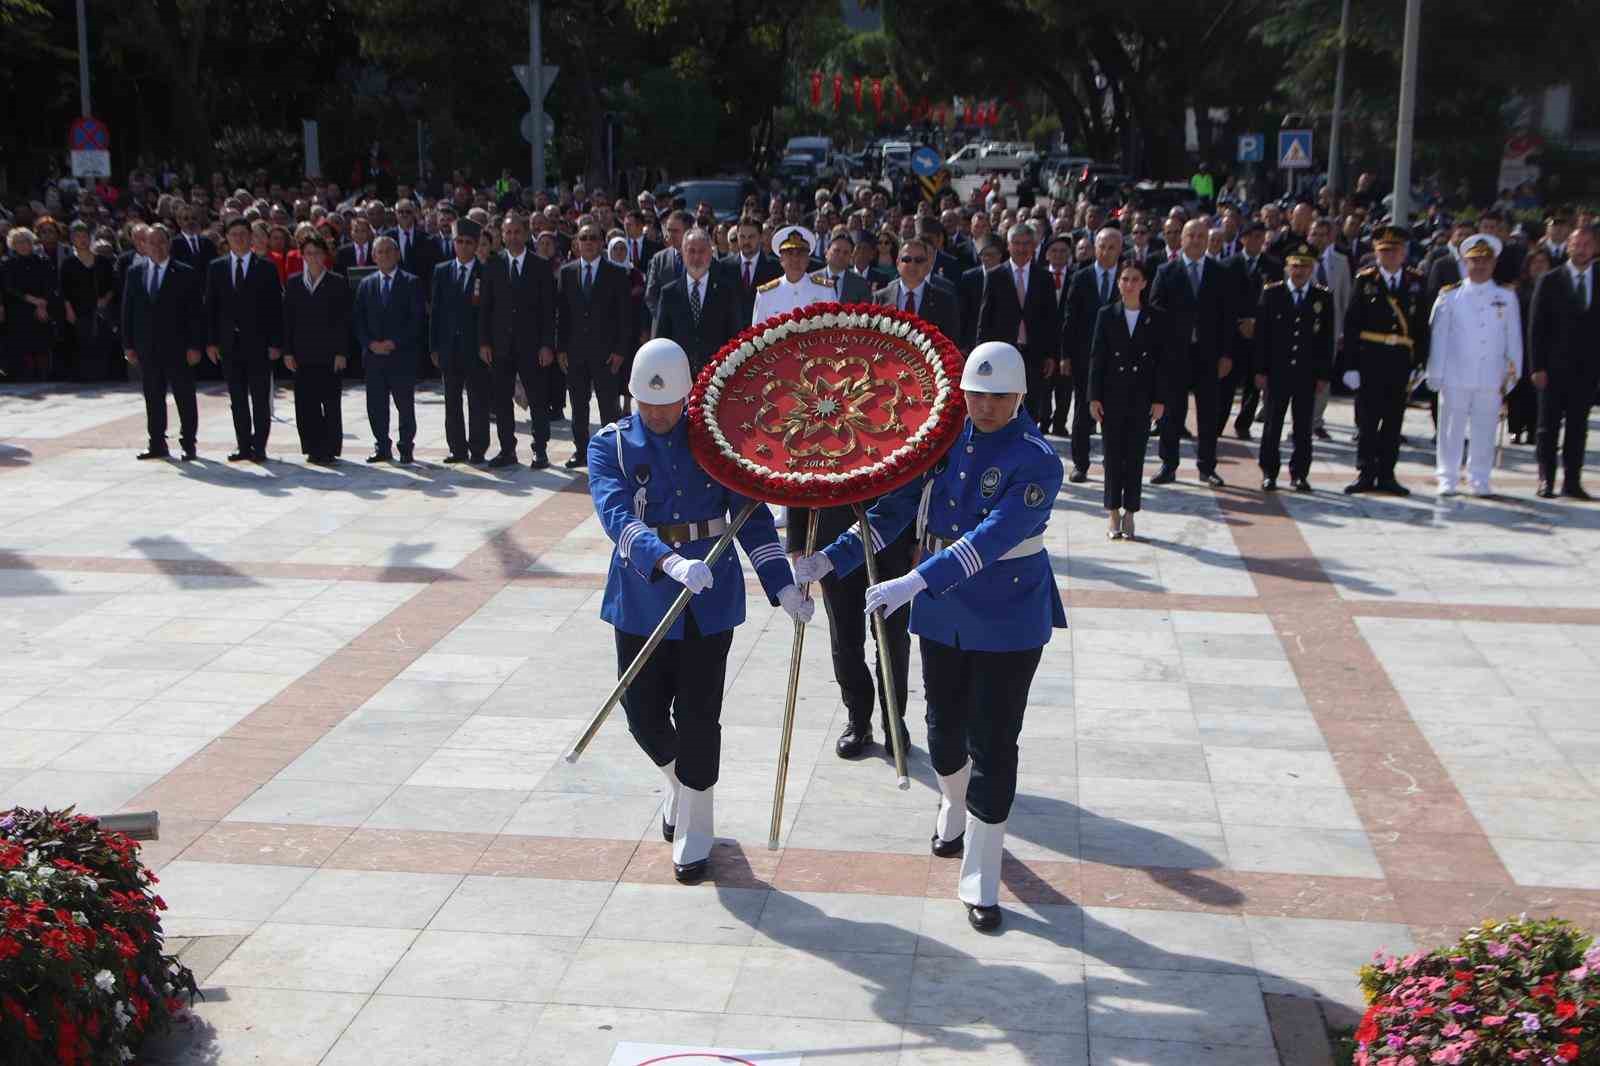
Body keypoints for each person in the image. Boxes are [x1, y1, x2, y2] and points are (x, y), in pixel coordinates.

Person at [794, 341, 1066, 931]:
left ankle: (982, 874)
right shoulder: (943, 443)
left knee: (994, 740)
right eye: (975, 394)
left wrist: (915, 580)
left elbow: (992, 538)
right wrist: (831, 560)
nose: (984, 406)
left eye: (997, 396)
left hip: (1009, 612)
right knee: (943, 732)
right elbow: (892, 512)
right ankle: (952, 800)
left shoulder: (1037, 459)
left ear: (1020, 396)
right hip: (945, 611)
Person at [588, 338, 812, 884]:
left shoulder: (716, 442)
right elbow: (616, 516)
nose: (658, 414)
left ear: (687, 396)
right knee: (642, 713)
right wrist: (666, 561)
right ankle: (680, 783)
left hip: (710, 598)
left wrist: (782, 586)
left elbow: (751, 519)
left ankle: (695, 823)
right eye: (647, 403)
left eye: (668, 403)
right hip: (643, 595)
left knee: (699, 715)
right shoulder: (611, 445)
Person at [1425, 233, 1522, 497]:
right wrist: (1435, 373)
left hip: (1491, 375)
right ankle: (1448, 477)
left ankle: (1480, 478)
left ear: (1494, 263)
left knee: (1485, 428)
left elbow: (1513, 338)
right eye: (1475, 261)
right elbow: (1439, 337)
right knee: (1450, 429)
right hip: (1455, 374)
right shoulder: (1450, 295)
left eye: (1486, 261)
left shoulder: (1506, 296)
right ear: (1465, 262)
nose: (1480, 266)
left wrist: (1512, 374)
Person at [1338, 225, 1428, 495]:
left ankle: (1387, 474)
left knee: (1393, 420)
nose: (1390, 255)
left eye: (1395, 250)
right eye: (1384, 250)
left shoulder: (1415, 282)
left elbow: (1421, 327)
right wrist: (1350, 365)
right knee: (1367, 421)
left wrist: (1419, 363)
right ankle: (1365, 473)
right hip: (1370, 359)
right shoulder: (1365, 280)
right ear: (1376, 253)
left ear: (1404, 253)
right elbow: (1352, 325)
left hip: (1400, 361)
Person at [1089, 260, 1174, 540]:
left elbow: (1162, 362)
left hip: (1141, 396)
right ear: (1118, 282)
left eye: (1135, 279)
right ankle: (1113, 511)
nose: (1129, 284)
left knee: (1135, 456)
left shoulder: (1156, 317)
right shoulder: (1106, 314)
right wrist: (1093, 397)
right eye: (1125, 279)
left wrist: (1160, 399)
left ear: (1144, 283)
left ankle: (1131, 512)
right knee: (1113, 456)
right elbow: (1097, 357)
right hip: (1112, 396)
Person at [1149, 218, 1236, 487]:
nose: (1196, 240)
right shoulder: (1166, 271)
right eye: (1191, 236)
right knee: (1172, 413)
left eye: (1200, 236)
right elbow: (1155, 312)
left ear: (1207, 239)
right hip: (1175, 355)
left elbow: (1228, 317)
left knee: (1208, 414)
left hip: (1208, 355)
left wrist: (1227, 354)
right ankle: (1168, 465)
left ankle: (1207, 467)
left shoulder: (1220, 272)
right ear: (1182, 239)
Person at [479, 212, 558, 469]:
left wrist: (547, 345)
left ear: (525, 234)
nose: (513, 237)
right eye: (508, 232)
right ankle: (507, 450)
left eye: (517, 232)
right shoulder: (493, 264)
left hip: (532, 346)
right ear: (502, 236)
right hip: (500, 346)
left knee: (537, 399)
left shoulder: (540, 265)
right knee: (502, 401)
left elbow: (549, 310)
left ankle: (540, 450)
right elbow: (486, 308)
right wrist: (484, 342)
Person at [1254, 243, 1334, 493]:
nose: (1299, 271)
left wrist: (1323, 374)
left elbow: (1326, 340)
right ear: (1287, 267)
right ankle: (1269, 472)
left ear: (1312, 269)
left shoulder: (1322, 297)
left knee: (1303, 427)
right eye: (1295, 266)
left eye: (1305, 266)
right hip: (1277, 372)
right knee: (1272, 425)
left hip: (1306, 373)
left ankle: (1299, 474)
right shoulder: (1272, 294)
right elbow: (1261, 336)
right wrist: (1260, 370)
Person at [1527, 222, 1598, 499]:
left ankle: (1572, 481)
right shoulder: (1550, 280)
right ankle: (1546, 479)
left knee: (1578, 428)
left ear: (1595, 248)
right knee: (1547, 428)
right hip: (1553, 368)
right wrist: (1537, 367)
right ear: (1568, 247)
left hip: (1587, 370)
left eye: (1587, 245)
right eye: (1577, 244)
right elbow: (1536, 327)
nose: (1581, 250)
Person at [121, 224, 203, 460]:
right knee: (153, 396)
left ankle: (188, 443)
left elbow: (195, 313)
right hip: (147, 346)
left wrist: (195, 345)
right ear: (143, 245)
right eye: (151, 242)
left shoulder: (185, 272)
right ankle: (156, 442)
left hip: (179, 346)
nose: (156, 247)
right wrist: (128, 345)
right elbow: (128, 310)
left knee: (184, 396)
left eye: (161, 242)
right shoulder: (134, 272)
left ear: (169, 244)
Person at [205, 217, 284, 462]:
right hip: (229, 344)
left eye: (243, 234)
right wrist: (211, 342)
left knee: (260, 398)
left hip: (259, 344)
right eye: (234, 234)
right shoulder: (216, 267)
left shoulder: (266, 267)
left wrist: (276, 343)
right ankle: (243, 445)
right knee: (237, 399)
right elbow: (211, 307)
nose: (238, 239)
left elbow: (276, 308)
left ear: (251, 237)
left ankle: (259, 446)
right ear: (227, 239)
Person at [556, 222, 633, 469]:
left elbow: (625, 317)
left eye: (593, 238)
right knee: (578, 406)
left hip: (606, 354)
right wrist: (561, 348)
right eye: (583, 238)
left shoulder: (616, 273)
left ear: (601, 243)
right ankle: (581, 450)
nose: (588, 242)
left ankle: (611, 454)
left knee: (609, 407)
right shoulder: (567, 273)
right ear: (577, 243)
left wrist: (620, 351)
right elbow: (562, 315)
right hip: (576, 352)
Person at [352, 236, 424, 464]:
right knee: (376, 405)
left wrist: (395, 342)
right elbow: (358, 320)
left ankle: (406, 447)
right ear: (374, 257)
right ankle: (382, 446)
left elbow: (416, 320)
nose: (384, 255)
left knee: (405, 405)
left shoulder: (411, 282)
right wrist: (370, 344)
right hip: (374, 357)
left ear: (397, 254)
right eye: (380, 252)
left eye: (389, 251)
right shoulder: (366, 284)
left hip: (401, 355)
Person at [1061, 227, 1125, 481]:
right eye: (1102, 246)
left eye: (1112, 247)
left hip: (1118, 359)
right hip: (1084, 358)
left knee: (1115, 414)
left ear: (1120, 249)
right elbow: (1069, 318)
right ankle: (1080, 464)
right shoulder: (1081, 277)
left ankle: (1113, 463)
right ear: (1094, 248)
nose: (1106, 252)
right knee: (1082, 412)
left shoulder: (1127, 277)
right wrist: (1065, 355)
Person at [976, 223, 1058, 426]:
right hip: (1002, 352)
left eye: (1026, 243)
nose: (1021, 248)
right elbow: (985, 318)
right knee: (1002, 405)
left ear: (1034, 246)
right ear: (1008, 246)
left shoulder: (1044, 277)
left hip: (1034, 353)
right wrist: (982, 353)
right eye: (1017, 243)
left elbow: (1051, 319)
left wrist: (1051, 355)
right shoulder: (995, 275)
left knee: (1031, 406)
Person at [281, 233, 350, 465]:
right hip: (302, 353)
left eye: (317, 253)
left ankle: (329, 448)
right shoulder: (293, 283)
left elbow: (343, 320)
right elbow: (287, 320)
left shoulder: (337, 282)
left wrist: (341, 352)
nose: (313, 258)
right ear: (303, 256)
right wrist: (288, 352)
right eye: (309, 253)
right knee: (305, 404)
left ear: (325, 255)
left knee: (330, 403)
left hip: (329, 354)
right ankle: (312, 447)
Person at [431, 219, 491, 463]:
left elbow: (489, 313)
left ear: (476, 245)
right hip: (449, 347)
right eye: (459, 241)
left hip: (476, 348)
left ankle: (478, 448)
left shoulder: (485, 272)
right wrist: (434, 346)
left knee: (478, 400)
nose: (463, 246)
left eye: (468, 242)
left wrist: (487, 344)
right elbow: (436, 311)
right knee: (452, 400)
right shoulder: (442, 270)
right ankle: (456, 448)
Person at [1219, 220, 1282, 442]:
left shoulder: (1273, 266)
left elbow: (1275, 301)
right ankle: (1218, 422)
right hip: (1233, 333)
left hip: (1259, 334)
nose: (1257, 241)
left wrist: (1256, 323)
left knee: (1254, 384)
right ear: (1243, 238)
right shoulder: (1228, 265)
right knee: (1226, 382)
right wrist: (1240, 322)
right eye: (1253, 236)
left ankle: (1243, 424)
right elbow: (1222, 302)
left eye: (1261, 237)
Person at [652, 228, 742, 379]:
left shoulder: (727, 292)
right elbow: (662, 339)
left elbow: (734, 336)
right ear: (682, 253)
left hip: (717, 377)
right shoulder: (669, 293)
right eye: (691, 251)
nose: (696, 257)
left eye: (701, 251)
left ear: (711, 253)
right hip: (678, 377)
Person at [873, 235, 961, 347]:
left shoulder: (945, 301)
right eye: (906, 259)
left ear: (928, 266)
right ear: (897, 263)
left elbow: (951, 345)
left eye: (919, 260)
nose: (912, 265)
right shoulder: (881, 297)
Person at [59, 220, 118, 381]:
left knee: (102, 342)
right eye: (77, 236)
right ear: (72, 239)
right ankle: (86, 376)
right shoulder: (68, 263)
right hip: (78, 309)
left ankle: (103, 375)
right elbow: (64, 289)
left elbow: (113, 285)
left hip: (100, 309)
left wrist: (105, 299)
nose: (82, 240)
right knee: (82, 343)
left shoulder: (102, 261)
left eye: (84, 236)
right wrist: (69, 310)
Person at [1508, 246, 1552, 444]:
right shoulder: (1517, 290)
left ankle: (1534, 429)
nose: (1539, 266)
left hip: (1545, 346)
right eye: (1535, 262)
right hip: (1521, 344)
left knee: (1538, 391)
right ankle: (1516, 428)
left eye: (1543, 262)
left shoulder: (1555, 287)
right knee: (1518, 388)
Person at [751, 225, 835, 324]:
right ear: (781, 259)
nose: (795, 259)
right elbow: (757, 331)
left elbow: (835, 329)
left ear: (808, 259)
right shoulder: (766, 294)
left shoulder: (825, 290)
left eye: (801, 253)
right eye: (790, 253)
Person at [816, 230, 872, 302]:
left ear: (851, 257)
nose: (841, 255)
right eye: (837, 250)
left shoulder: (860, 284)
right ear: (826, 252)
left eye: (846, 252)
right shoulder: (813, 279)